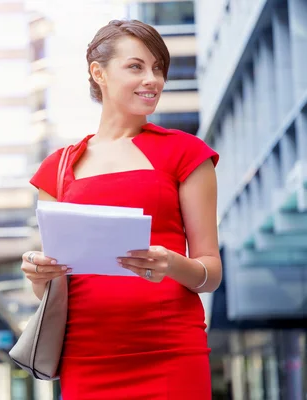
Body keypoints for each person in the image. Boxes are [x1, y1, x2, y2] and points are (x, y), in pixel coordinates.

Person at [21, 20, 221, 399]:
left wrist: (171, 263)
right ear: (99, 73)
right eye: (136, 66)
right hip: (87, 357)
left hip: (170, 353)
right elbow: (54, 286)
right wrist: (38, 274)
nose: (152, 79)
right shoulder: (58, 168)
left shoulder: (186, 154)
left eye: (158, 68)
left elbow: (210, 273)